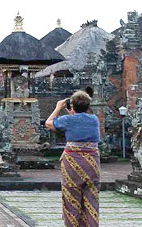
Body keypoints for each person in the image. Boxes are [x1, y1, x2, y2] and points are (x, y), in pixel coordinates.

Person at [46, 90, 101, 227]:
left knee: (71, 198)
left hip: (73, 162)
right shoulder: (94, 119)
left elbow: (49, 123)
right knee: (91, 199)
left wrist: (58, 107)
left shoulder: (68, 120)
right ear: (88, 106)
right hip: (92, 163)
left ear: (72, 106)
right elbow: (82, 119)